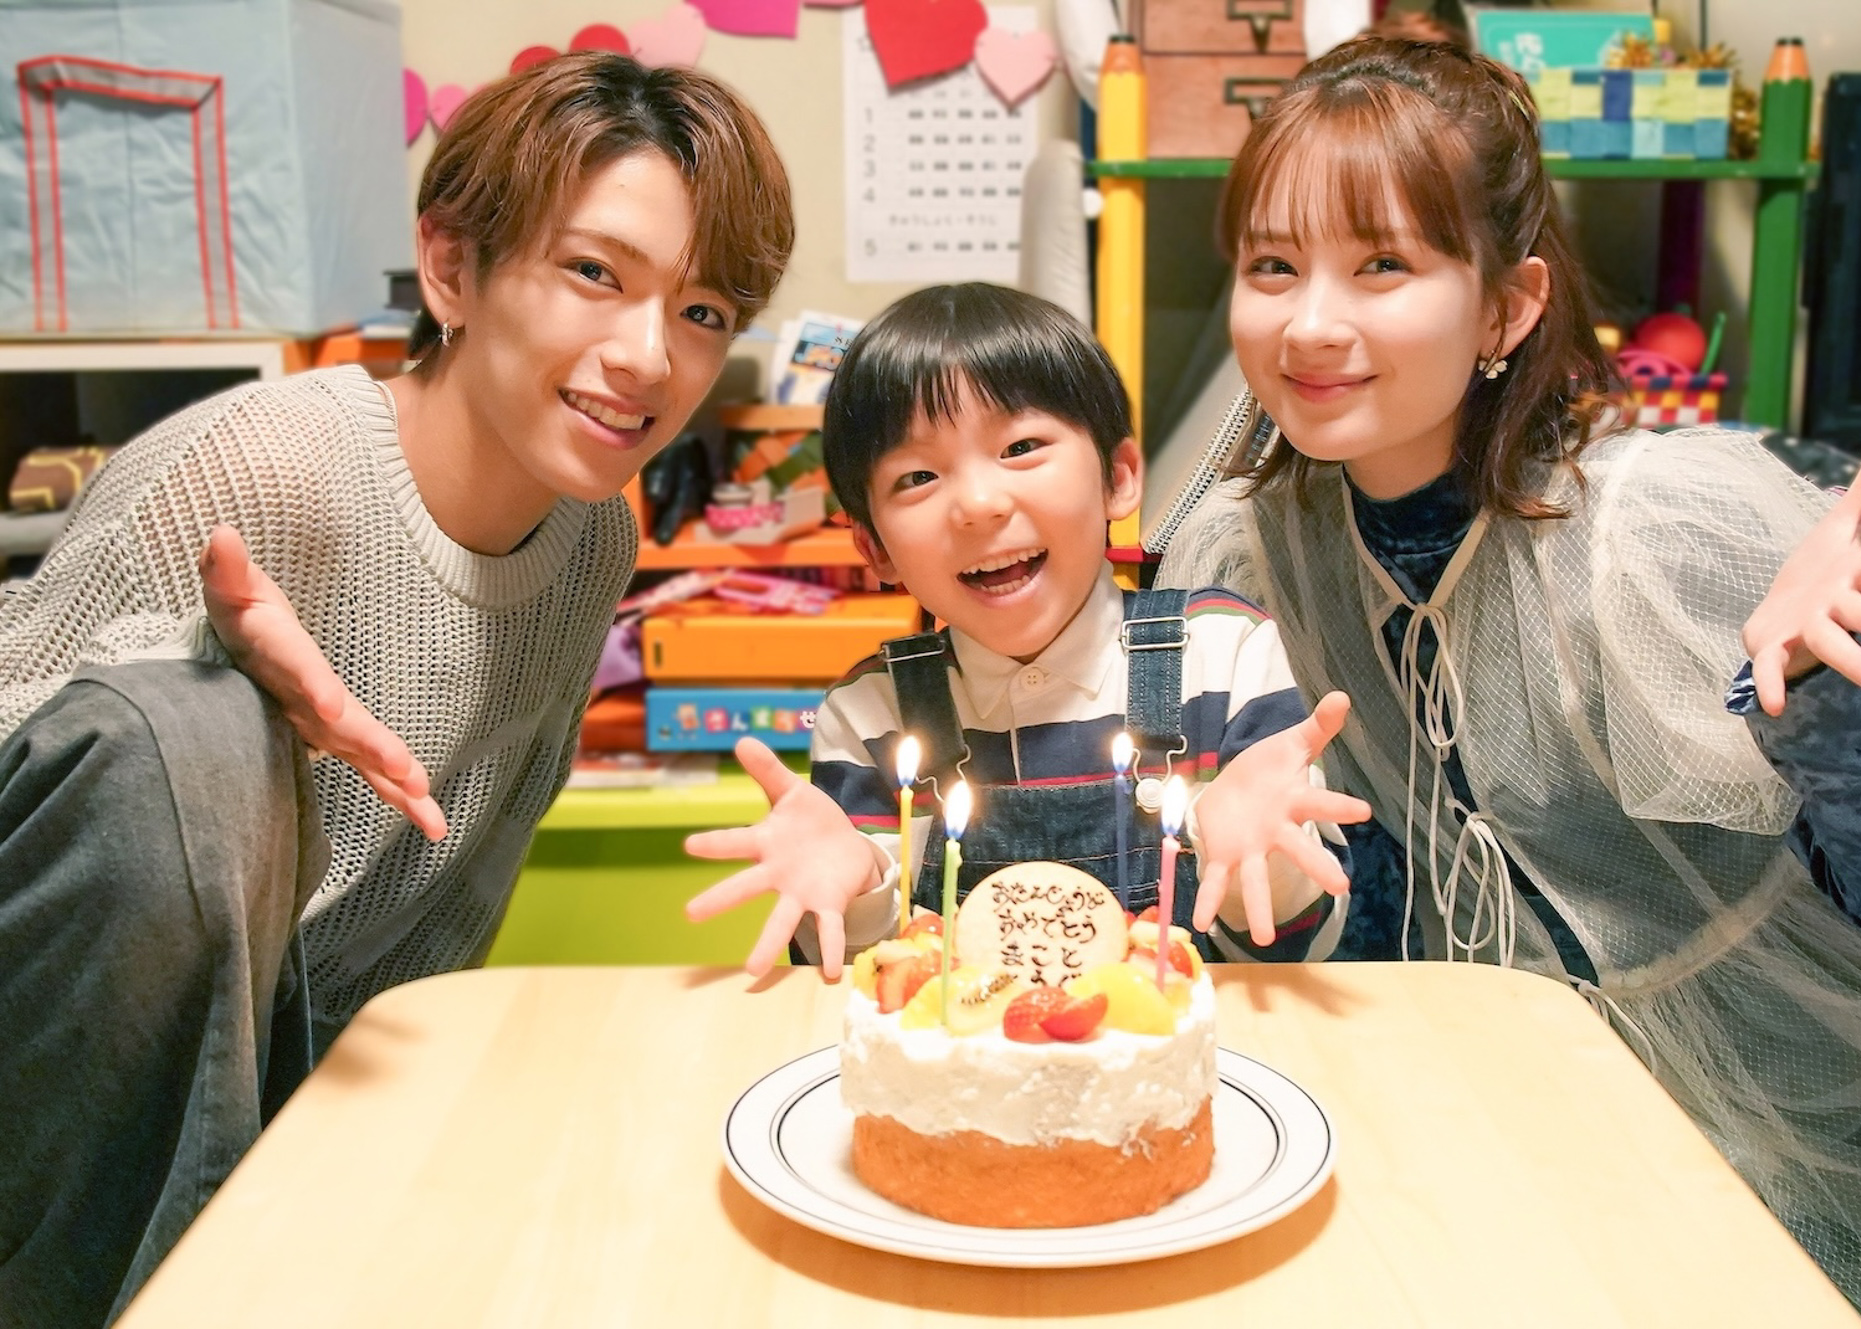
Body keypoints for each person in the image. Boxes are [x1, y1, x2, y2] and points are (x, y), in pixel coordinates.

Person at [1156, 37, 1861, 1329]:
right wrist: (1262, 862)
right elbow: (1374, 916)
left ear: (1507, 306)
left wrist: (1832, 703)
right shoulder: (1257, 549)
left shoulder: (1654, 526)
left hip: (1807, 1152)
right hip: (1505, 1135)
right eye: (1273, 266)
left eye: (1381, 265)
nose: (1310, 323)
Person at [0, 53, 793, 1329]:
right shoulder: (255, 474)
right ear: (451, 269)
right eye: (596, 274)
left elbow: (443, 906)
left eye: (703, 310)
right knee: (193, 733)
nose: (648, 356)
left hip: (300, 1102)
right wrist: (196, 695)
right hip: (79, 1122)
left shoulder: (592, 534)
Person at [683, 283, 1370, 976]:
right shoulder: (869, 716)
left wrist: (1262, 859)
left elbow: (1299, 948)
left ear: (1118, 478)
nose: (979, 504)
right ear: (875, 549)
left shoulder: (1224, 652)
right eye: (917, 476)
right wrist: (854, 883)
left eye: (1020, 446)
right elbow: (867, 974)